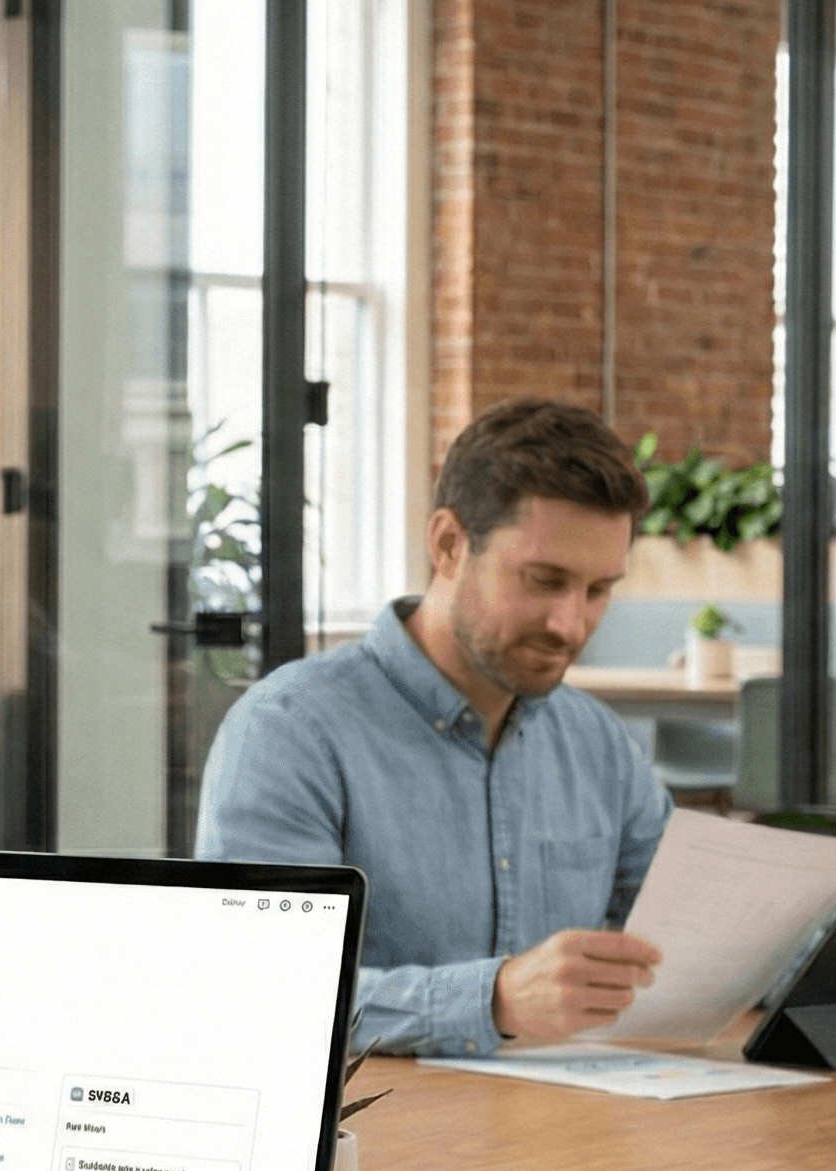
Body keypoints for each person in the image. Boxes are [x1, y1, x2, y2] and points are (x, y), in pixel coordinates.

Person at [194, 399, 675, 1056]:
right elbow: (261, 989)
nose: (570, 624)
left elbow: (686, 939)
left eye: (597, 591)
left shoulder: (599, 745)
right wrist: (495, 1001)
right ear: (449, 544)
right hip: (390, 1139)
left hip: (572, 1132)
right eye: (543, 580)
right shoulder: (290, 733)